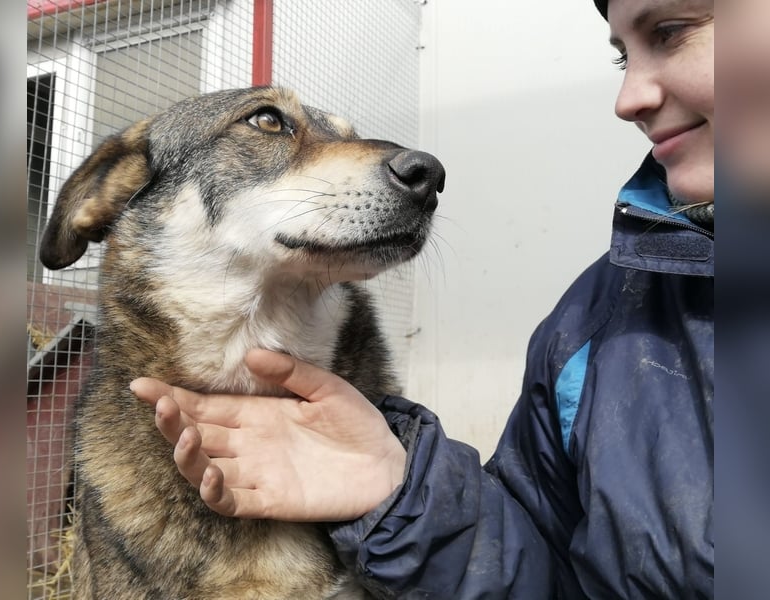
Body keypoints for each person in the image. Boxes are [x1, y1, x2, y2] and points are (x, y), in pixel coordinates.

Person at [131, 0, 714, 596]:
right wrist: (397, 492)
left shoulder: (601, 327)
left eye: (672, 32)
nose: (628, 100)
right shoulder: (590, 325)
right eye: (269, 123)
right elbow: (548, 567)